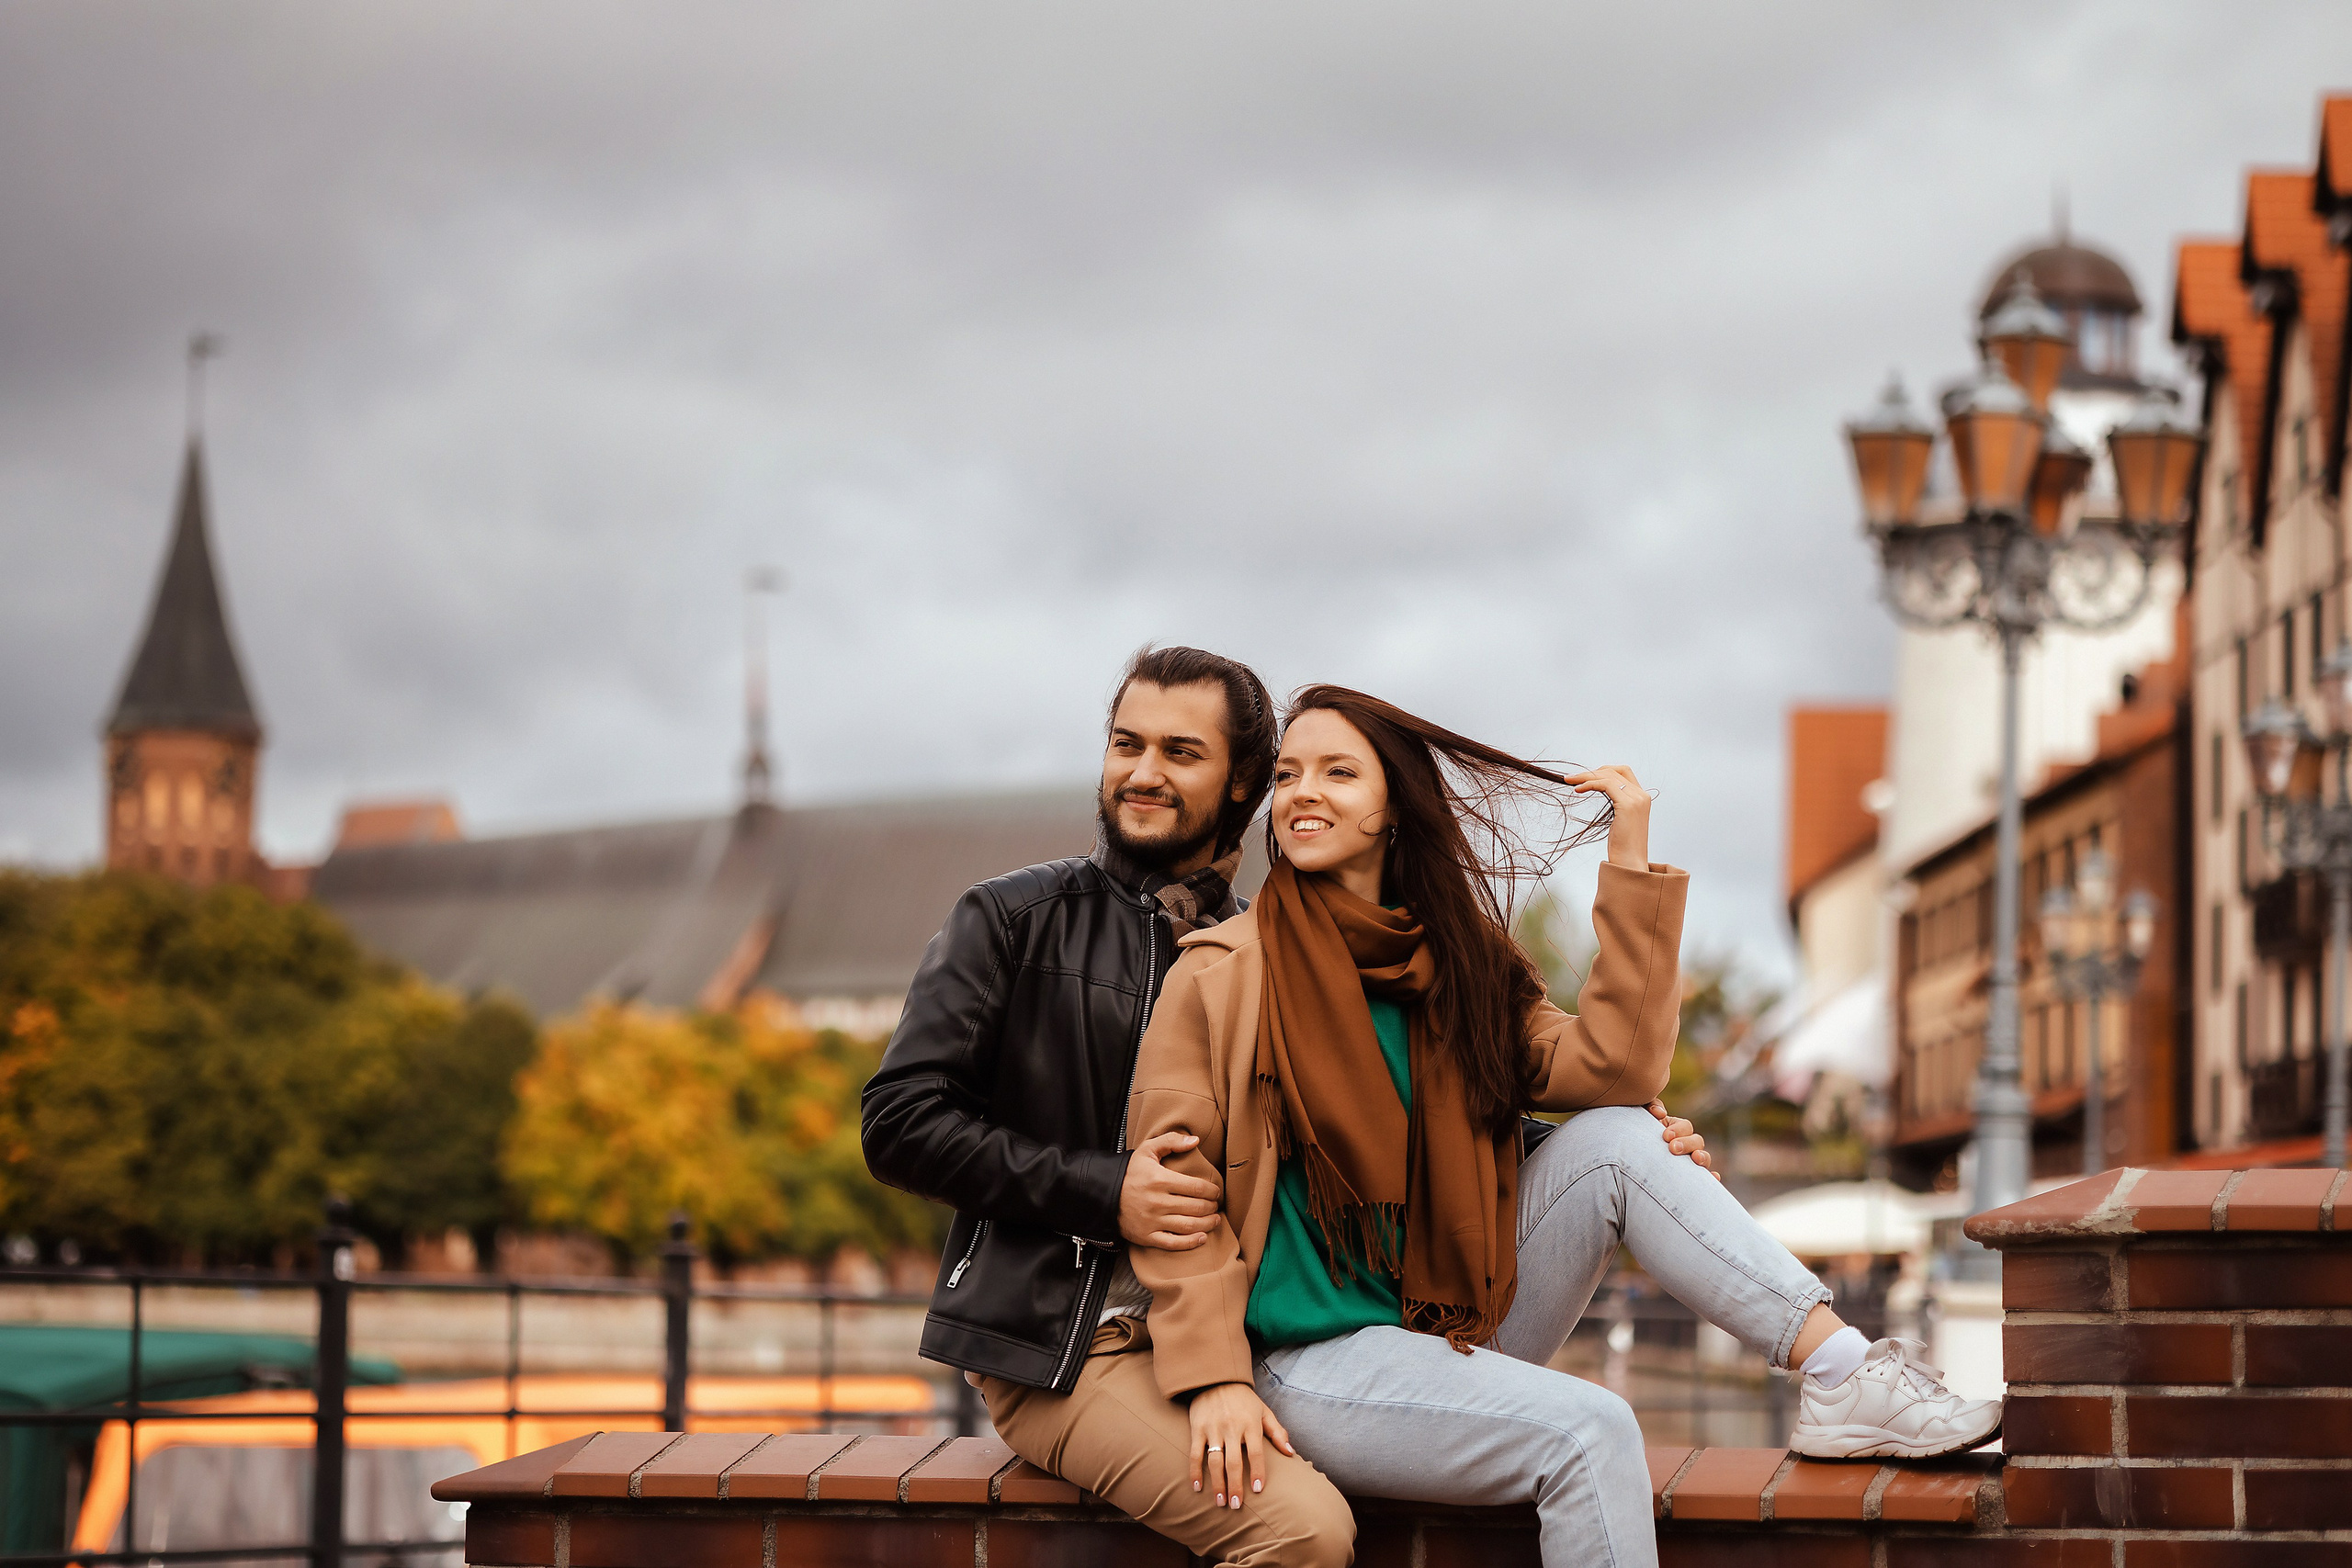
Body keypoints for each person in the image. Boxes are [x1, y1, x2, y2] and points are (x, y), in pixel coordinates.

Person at [1125, 686, 2000, 1568]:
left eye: (1337, 772)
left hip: (1451, 1315)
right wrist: (1214, 1379)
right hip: (1313, 1359)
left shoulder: (1459, 961)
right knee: (1589, 1426)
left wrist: (1629, 856)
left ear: (1393, 806)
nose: (1303, 792)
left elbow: (1613, 1068)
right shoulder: (1222, 976)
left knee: (1622, 1135)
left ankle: (1846, 1372)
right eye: (1288, 773)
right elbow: (1177, 1197)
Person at [859, 646, 1345, 1568]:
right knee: (1301, 1532)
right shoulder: (1009, 918)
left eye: (1180, 752)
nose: (1143, 773)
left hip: (1243, 1340)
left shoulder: (1266, 952)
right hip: (1070, 1345)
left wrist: (1587, 1139)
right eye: (1127, 745)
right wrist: (1102, 1189)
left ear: (1245, 783)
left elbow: (1370, 1115)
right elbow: (899, 1123)